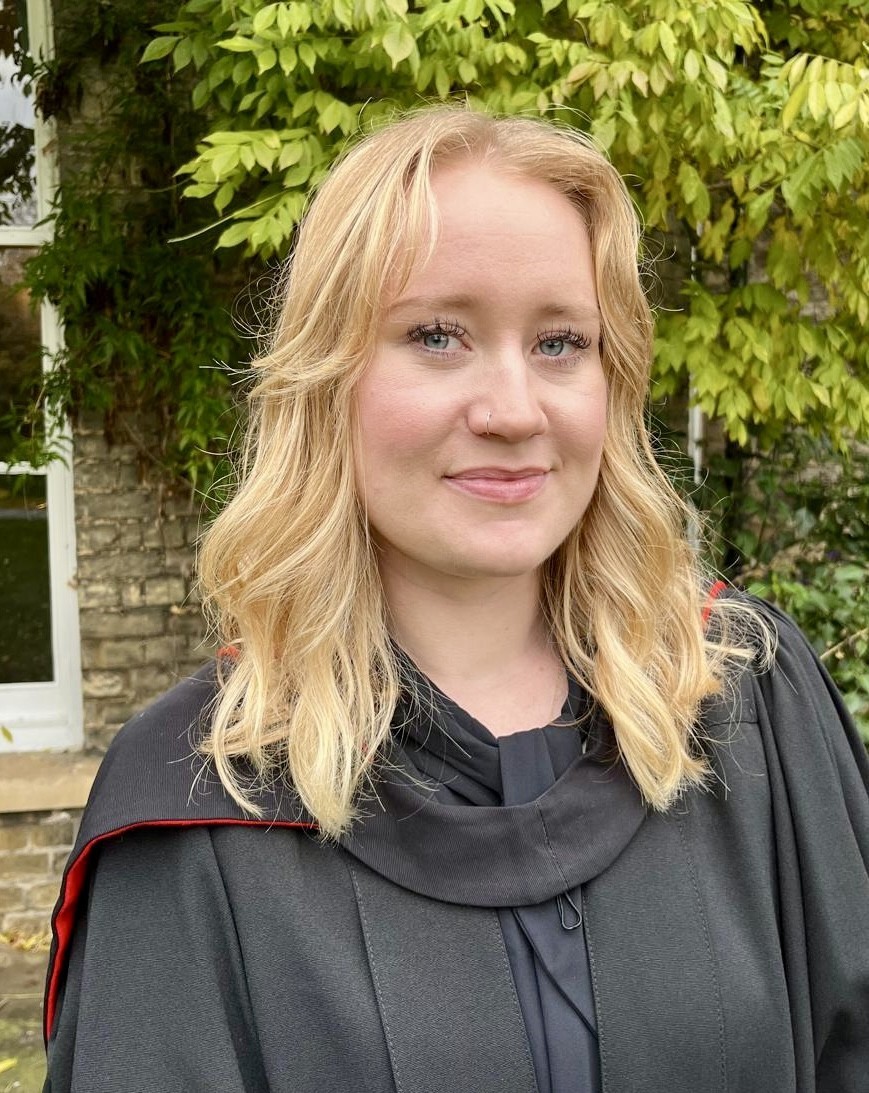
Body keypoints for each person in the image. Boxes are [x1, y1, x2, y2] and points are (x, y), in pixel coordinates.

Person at [43, 106, 869, 1093]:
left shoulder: (746, 700)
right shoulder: (196, 802)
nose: (512, 410)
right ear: (327, 377)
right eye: (437, 336)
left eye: (560, 341)